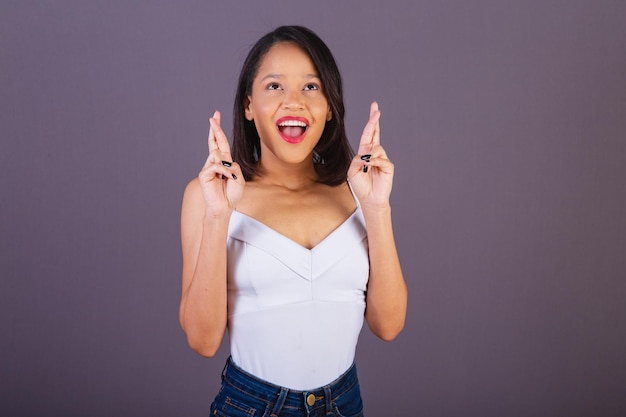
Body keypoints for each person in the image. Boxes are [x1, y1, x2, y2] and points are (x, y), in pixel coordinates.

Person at [179, 25, 407, 417]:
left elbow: (388, 326)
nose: (293, 102)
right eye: (274, 86)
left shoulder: (360, 192)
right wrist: (219, 216)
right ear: (248, 105)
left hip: (343, 404)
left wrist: (377, 209)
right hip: (251, 406)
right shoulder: (209, 197)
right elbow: (203, 341)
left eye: (311, 87)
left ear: (330, 106)